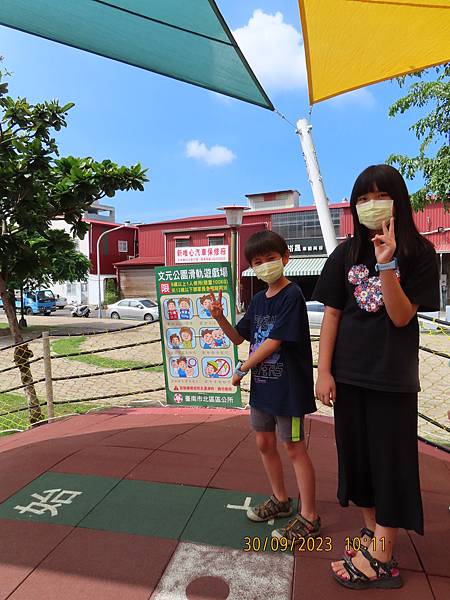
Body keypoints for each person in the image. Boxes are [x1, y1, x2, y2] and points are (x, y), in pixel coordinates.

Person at [313, 164, 439, 590]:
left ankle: (382, 557)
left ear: (397, 200)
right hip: (349, 376)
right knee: (358, 461)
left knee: (391, 463)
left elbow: (402, 317)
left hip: (391, 378)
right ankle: (373, 534)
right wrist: (324, 371)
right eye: (362, 198)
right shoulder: (345, 254)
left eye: (379, 196)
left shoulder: (419, 254)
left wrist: (387, 264)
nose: (370, 205)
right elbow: (331, 315)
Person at [210, 230, 319, 543]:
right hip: (263, 389)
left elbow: (274, 341)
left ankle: (310, 515)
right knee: (264, 444)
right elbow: (239, 337)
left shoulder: (292, 294)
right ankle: (281, 500)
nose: (265, 266)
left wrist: (242, 369)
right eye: (257, 262)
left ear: (285, 258)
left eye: (270, 259)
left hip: (289, 390)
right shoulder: (258, 300)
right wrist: (219, 318)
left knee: (294, 448)